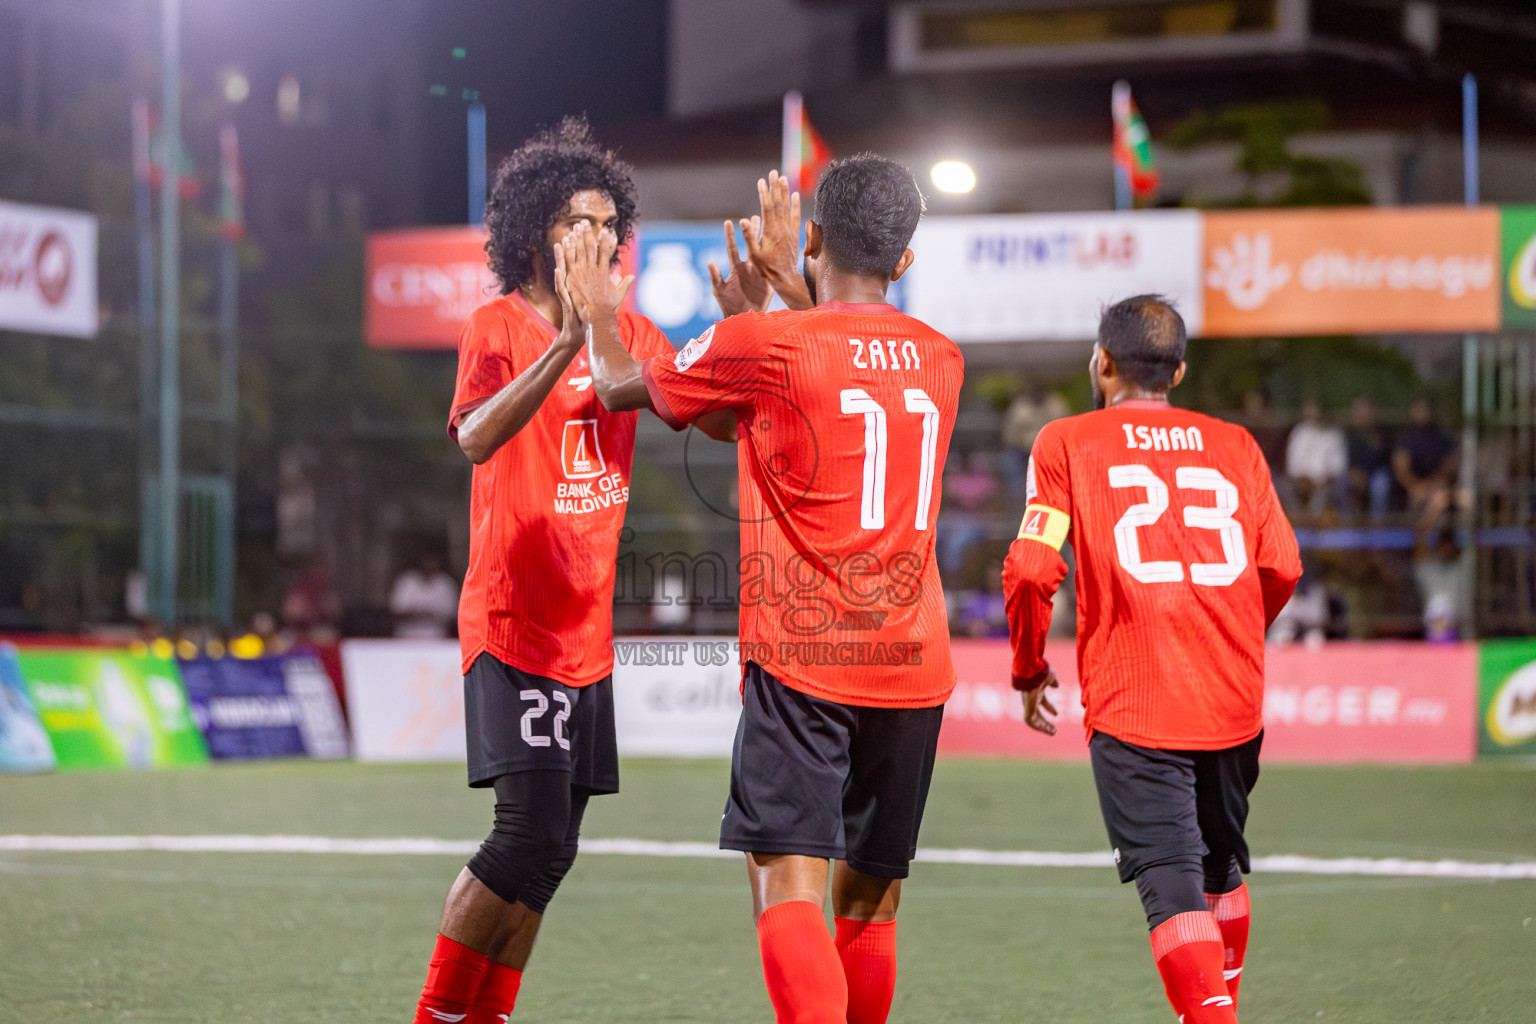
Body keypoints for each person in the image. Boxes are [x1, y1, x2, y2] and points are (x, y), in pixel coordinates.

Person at [571, 155, 963, 1024]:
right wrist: (787, 294)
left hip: (806, 661)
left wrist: (601, 313)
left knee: (786, 881)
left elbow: (615, 385)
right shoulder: (943, 358)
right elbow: (843, 362)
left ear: (815, 236)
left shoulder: (767, 342)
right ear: (904, 262)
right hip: (913, 663)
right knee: (871, 901)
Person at [410, 116, 735, 1024]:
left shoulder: (629, 329)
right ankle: (437, 1014)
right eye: (572, 222)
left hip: (586, 639)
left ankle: (489, 1015)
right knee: (523, 836)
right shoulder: (496, 325)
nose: (594, 239)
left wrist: (745, 326)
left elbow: (703, 414)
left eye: (604, 224)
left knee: (555, 853)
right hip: (513, 623)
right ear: (532, 235)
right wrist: (564, 345)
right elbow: (475, 437)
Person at [1002, 295, 1301, 1024]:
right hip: (1232, 697)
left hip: (1137, 699)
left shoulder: (1066, 441)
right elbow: (1283, 567)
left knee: (1171, 884)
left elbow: (1032, 569)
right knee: (1220, 868)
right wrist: (1227, 630)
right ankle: (1220, 1002)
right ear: (1180, 371)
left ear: (1102, 364)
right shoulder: (1236, 444)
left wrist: (1029, 667)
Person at [1392, 397, 1462, 532]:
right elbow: (1401, 469)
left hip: (1439, 487)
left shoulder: (1443, 439)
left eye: (1426, 409)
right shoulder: (1406, 441)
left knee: (1444, 498)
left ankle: (1424, 539)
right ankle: (1423, 541)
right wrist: (1416, 487)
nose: (1423, 413)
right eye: (1419, 409)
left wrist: (1431, 484)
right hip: (1413, 490)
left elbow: (1449, 466)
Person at [1283, 399, 1345, 519]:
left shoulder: (1334, 435)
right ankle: (1298, 524)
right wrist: (1302, 479)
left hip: (1323, 482)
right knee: (1284, 487)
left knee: (1325, 493)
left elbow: (1338, 467)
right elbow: (1292, 463)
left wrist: (1319, 481)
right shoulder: (1299, 432)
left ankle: (1313, 526)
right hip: (1300, 480)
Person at [389, 552, 460, 638]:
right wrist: (419, 614)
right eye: (426, 561)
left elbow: (454, 616)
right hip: (406, 637)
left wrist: (432, 615)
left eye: (432, 561)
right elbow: (395, 612)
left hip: (439, 638)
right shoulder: (406, 581)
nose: (429, 564)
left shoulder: (446, 583)